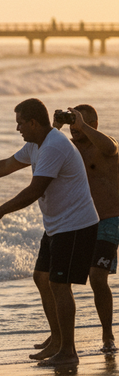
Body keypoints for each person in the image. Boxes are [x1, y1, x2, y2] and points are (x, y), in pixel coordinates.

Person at [0, 98, 99, 367]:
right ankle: (57, 340)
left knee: (60, 284)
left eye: (20, 123)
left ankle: (69, 351)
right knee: (42, 277)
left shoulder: (54, 147)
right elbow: (5, 165)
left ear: (34, 122)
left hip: (76, 225)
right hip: (58, 224)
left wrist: (0, 210)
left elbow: (35, 190)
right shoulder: (37, 145)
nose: (18, 129)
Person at [52, 105, 117, 353]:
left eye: (78, 123)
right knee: (59, 279)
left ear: (93, 124)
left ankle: (107, 335)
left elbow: (111, 146)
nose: (74, 128)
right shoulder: (68, 147)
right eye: (71, 123)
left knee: (97, 277)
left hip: (109, 220)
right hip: (80, 221)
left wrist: (83, 125)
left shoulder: (105, 146)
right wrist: (56, 127)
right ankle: (61, 340)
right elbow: (41, 155)